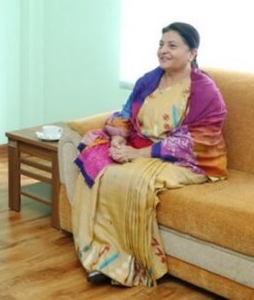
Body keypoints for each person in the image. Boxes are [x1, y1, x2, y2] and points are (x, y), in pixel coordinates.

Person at [72, 22, 227, 287]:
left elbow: (199, 139)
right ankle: (101, 253)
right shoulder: (149, 80)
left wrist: (138, 154)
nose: (163, 50)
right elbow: (125, 112)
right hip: (138, 144)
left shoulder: (203, 89)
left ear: (192, 53)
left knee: (130, 180)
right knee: (96, 160)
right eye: (161, 44)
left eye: (172, 45)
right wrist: (118, 139)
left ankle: (131, 262)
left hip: (186, 159)